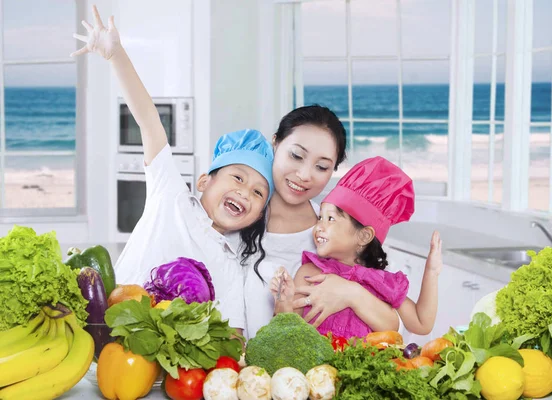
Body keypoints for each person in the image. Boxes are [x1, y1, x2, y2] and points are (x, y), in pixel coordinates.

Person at [72, 6, 274, 332]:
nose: (244, 192)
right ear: (204, 181)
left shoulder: (231, 265)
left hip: (163, 365)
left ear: (258, 214)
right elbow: (149, 121)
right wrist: (116, 55)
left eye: (257, 193)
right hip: (103, 337)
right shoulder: (171, 196)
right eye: (238, 177)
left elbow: (233, 334)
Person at [241, 106, 408, 339]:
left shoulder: (340, 232)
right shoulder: (237, 219)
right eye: (296, 156)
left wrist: (350, 292)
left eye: (321, 167)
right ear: (275, 144)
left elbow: (397, 328)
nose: (305, 175)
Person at [271, 157, 442, 339]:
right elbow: (288, 332)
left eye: (331, 219)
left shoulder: (381, 284)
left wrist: (431, 272)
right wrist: (283, 302)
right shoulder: (309, 273)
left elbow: (422, 323)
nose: (319, 226)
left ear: (364, 236)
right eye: (320, 217)